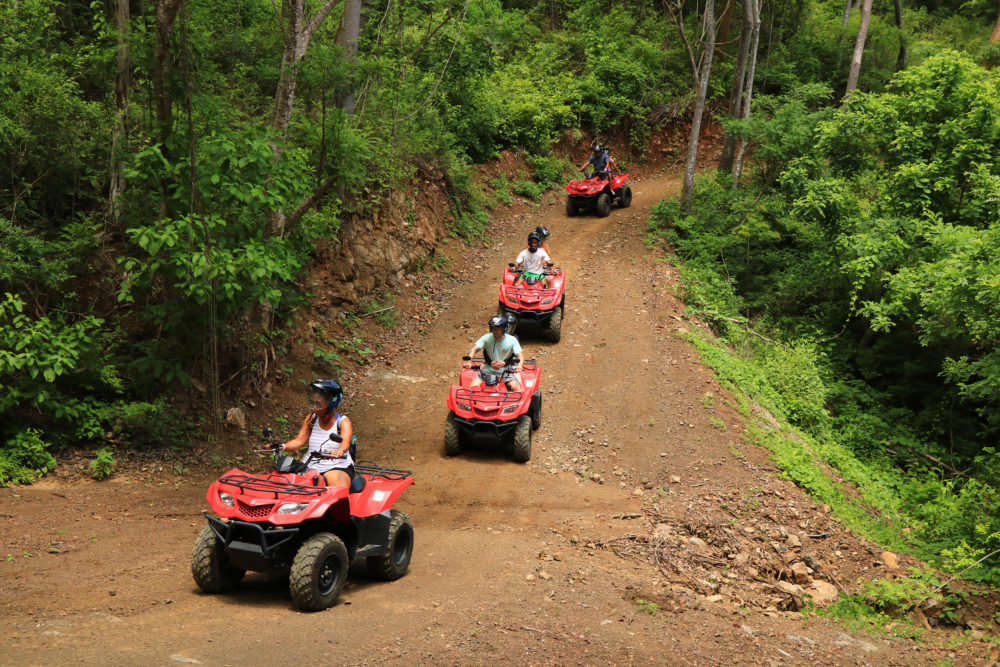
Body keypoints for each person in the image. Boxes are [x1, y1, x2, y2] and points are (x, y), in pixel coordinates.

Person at [280, 379, 354, 487]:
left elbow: (345, 443)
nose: (314, 408)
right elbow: (299, 441)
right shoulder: (311, 419)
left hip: (336, 466)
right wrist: (282, 446)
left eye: (318, 404)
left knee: (337, 487)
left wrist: (339, 451)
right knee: (282, 481)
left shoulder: (343, 422)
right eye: (313, 403)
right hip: (310, 465)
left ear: (332, 403)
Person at [465, 315, 523, 391]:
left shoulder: (512, 340)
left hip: (505, 371)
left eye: (498, 329)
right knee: (473, 388)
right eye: (493, 329)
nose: (495, 331)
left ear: (504, 329)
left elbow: (520, 356)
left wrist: (519, 365)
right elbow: (474, 350)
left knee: (516, 388)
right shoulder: (486, 338)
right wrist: (469, 361)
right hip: (487, 369)